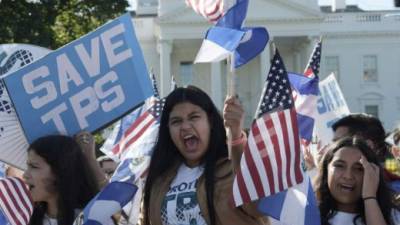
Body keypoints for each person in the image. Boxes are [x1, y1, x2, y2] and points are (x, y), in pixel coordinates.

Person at [142, 86, 268, 225]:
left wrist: (236, 138)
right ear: (168, 130)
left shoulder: (233, 166)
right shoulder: (158, 181)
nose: (185, 126)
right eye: (176, 121)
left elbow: (259, 206)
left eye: (194, 117)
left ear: (211, 122)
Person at [314, 137, 400, 225]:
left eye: (359, 168)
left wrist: (370, 198)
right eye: (340, 166)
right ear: (326, 170)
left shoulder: (393, 216)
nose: (348, 176)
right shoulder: (308, 216)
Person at [23, 134, 100, 225]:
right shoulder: (24, 218)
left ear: (60, 171)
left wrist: (91, 159)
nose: (25, 175)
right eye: (28, 166)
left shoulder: (92, 219)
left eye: (34, 166)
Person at [331, 113, 400, 184]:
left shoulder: (393, 189)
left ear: (368, 145)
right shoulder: (330, 184)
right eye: (334, 143)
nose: (333, 149)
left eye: (340, 142)